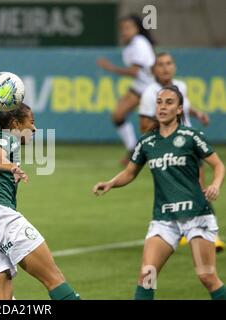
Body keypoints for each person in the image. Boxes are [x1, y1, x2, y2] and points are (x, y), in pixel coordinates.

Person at [93, 85, 226, 300]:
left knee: (207, 277)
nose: (163, 107)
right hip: (164, 219)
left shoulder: (191, 136)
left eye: (169, 102)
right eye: (159, 102)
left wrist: (215, 185)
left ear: (180, 109)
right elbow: (130, 172)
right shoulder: (147, 142)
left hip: (196, 216)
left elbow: (219, 165)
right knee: (147, 275)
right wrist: (110, 183)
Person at [0, 99, 81, 300]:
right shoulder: (7, 138)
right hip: (0, 219)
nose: (34, 128)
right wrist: (10, 166)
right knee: (54, 279)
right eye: (31, 122)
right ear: (15, 124)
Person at [138, 52, 224, 252]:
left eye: (169, 63)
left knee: (199, 189)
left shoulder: (181, 87)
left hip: (187, 146)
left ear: (174, 67)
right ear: (154, 70)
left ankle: (209, 236)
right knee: (181, 192)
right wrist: (163, 125)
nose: (165, 68)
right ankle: (184, 231)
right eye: (160, 64)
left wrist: (197, 113)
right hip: (168, 149)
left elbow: (185, 106)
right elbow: (143, 124)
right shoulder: (150, 93)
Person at [97, 14, 155, 165]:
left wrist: (111, 68)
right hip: (140, 86)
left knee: (153, 126)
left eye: (128, 28)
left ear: (137, 29)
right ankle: (132, 150)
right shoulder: (131, 45)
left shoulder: (140, 43)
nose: (124, 31)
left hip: (151, 88)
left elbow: (134, 71)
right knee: (117, 115)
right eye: (122, 28)